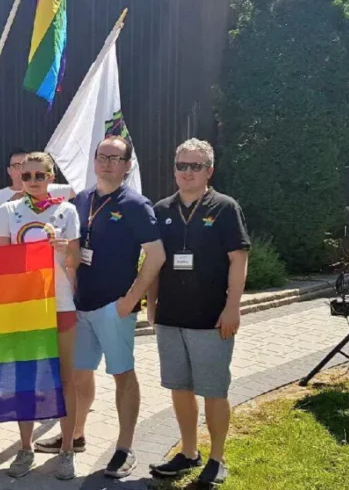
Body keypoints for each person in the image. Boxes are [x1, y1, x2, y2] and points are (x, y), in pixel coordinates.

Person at [148, 139, 249, 487]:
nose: (187, 173)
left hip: (211, 318)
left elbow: (239, 259)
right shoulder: (161, 208)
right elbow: (154, 261)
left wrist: (232, 306)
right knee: (179, 387)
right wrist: (151, 303)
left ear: (209, 171)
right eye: (181, 166)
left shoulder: (224, 207)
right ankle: (188, 453)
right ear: (174, 168)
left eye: (195, 166)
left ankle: (217, 458)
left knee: (214, 390)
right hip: (171, 317)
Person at [71, 136, 166, 479]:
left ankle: (125, 448)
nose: (108, 162)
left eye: (116, 158)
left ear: (127, 166)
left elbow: (156, 256)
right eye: (102, 156)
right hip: (82, 307)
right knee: (79, 374)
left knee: (122, 376)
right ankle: (75, 435)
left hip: (115, 307)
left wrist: (130, 299)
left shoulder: (136, 204)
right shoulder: (81, 200)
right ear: (94, 160)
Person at [0, 152, 82, 480]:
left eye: (39, 175)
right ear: (18, 176)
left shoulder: (67, 210)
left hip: (60, 303)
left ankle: (67, 450)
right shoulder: (7, 211)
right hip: (24, 306)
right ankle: (25, 447)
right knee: (26, 379)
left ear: (50, 176)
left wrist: (64, 250)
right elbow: (1, 264)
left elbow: (75, 261)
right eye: (27, 175)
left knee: (65, 377)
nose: (33, 181)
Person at [0, 149, 75, 204]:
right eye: (17, 166)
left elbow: (80, 189)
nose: (21, 170)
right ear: (9, 170)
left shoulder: (51, 190)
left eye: (25, 165)